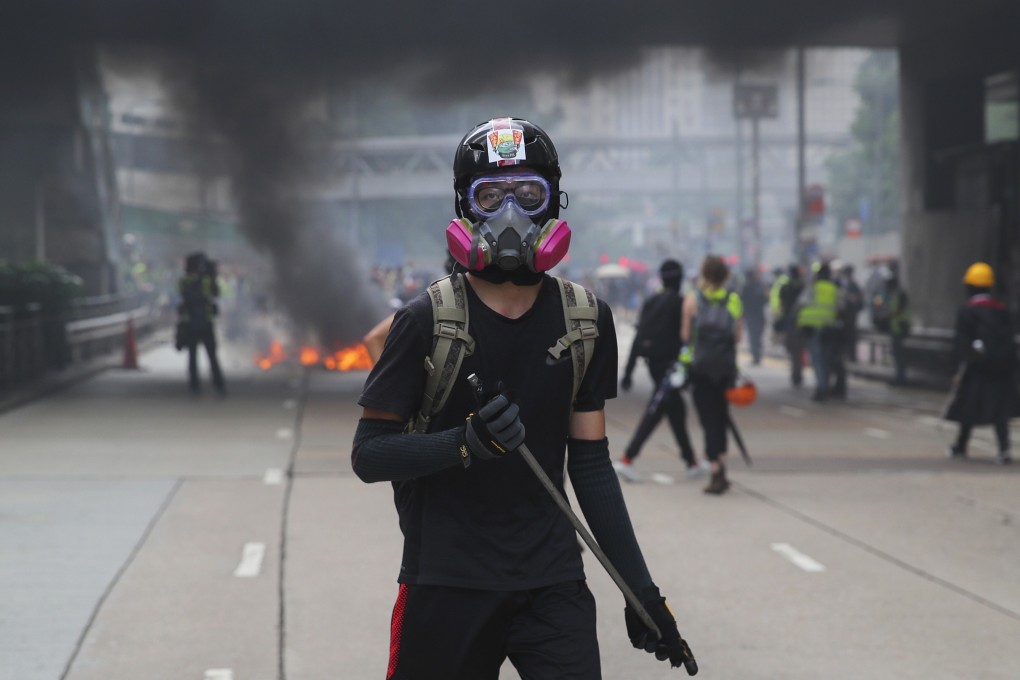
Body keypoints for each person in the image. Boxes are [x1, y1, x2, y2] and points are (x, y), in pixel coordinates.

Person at [352, 117, 693, 679]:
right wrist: (464, 444)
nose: (511, 212)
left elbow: (590, 466)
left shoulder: (585, 320)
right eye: (491, 195)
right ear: (464, 206)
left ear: (553, 202)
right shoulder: (423, 321)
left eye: (528, 193)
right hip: (445, 582)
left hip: (552, 586)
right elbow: (370, 454)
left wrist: (643, 592)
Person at [614, 259, 703, 482]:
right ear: (681, 279)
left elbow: (639, 336)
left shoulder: (651, 302)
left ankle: (691, 462)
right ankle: (628, 458)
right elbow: (688, 339)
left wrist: (628, 372)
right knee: (654, 412)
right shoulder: (682, 303)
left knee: (676, 411)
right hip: (671, 368)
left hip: (654, 365)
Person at [944, 262, 1019, 464]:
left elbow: (960, 343)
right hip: (1000, 371)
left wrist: (955, 370)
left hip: (975, 369)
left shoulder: (967, 312)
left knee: (969, 408)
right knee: (1000, 413)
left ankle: (961, 446)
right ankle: (1004, 450)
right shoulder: (1002, 311)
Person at [681, 255, 743, 495]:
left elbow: (686, 336)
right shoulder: (734, 299)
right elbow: (737, 337)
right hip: (725, 369)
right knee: (721, 416)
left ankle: (715, 469)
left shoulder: (692, 299)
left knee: (708, 420)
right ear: (725, 274)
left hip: (701, 368)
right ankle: (722, 465)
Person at [177, 252, 226, 395]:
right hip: (204, 323)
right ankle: (218, 386)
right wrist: (211, 276)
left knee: (194, 357)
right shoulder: (204, 280)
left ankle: (195, 387)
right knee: (211, 356)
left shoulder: (185, 280)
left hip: (192, 323)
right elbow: (215, 293)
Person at [796, 262, 838, 402]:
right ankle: (825, 386)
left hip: (813, 329)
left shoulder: (813, 287)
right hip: (829, 329)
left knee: (817, 361)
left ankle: (822, 389)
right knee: (826, 360)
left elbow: (801, 303)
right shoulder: (834, 288)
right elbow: (841, 306)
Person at [872, 269, 911, 385]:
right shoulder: (889, 293)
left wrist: (884, 317)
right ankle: (899, 377)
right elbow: (878, 302)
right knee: (896, 354)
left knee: (899, 355)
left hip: (900, 328)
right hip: (895, 328)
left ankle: (901, 378)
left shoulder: (900, 294)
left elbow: (897, 311)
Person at [777, 264, 805, 388]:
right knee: (799, 349)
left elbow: (781, 305)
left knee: (794, 349)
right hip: (804, 322)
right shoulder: (804, 286)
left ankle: (796, 373)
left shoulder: (785, 287)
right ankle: (798, 372)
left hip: (791, 322)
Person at [835, 262, 864, 362]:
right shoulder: (844, 283)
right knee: (846, 338)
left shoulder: (852, 284)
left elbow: (858, 299)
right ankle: (847, 356)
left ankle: (850, 356)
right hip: (844, 316)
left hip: (850, 316)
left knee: (850, 337)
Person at [740, 268, 767, 365]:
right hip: (756, 316)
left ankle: (757, 355)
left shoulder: (746, 287)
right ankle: (757, 356)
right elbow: (765, 300)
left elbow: (742, 301)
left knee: (754, 337)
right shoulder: (757, 286)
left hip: (753, 316)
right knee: (756, 337)